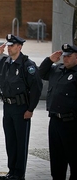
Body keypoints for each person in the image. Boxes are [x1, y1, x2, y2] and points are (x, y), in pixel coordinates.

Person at [0, 34, 43, 180]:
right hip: (8, 107)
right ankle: (11, 171)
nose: (9, 48)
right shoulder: (4, 61)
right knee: (10, 140)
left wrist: (30, 109)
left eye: (12, 45)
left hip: (21, 108)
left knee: (20, 142)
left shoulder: (27, 65)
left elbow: (37, 88)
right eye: (8, 45)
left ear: (20, 47)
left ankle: (19, 173)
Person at [38, 43, 77, 180]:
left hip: (71, 123)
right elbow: (41, 73)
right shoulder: (57, 70)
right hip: (55, 121)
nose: (65, 59)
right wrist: (49, 60)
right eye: (64, 56)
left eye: (69, 56)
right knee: (56, 159)